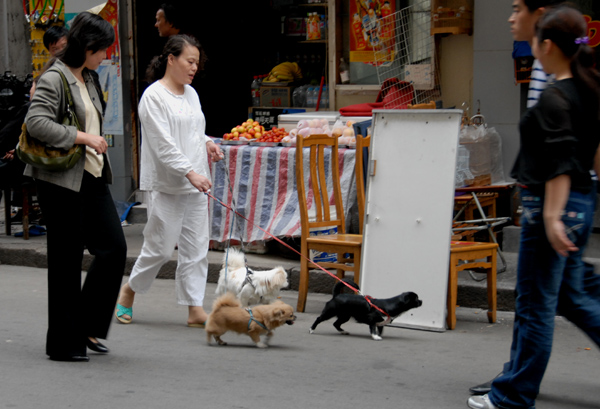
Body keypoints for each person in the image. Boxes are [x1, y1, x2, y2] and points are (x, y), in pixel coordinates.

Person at [467, 4, 600, 409]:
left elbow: (558, 163)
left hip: (554, 206)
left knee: (534, 305)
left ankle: (512, 395)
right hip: (581, 202)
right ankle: (513, 384)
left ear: (545, 46)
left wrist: (551, 216)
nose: (511, 18)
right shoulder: (588, 89)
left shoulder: (554, 98)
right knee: (567, 295)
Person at [24, 12, 126, 362]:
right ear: (87, 47)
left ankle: (86, 325)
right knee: (66, 260)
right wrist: (83, 137)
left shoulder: (91, 77)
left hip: (93, 176)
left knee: (114, 248)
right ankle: (64, 343)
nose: (105, 57)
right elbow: (36, 123)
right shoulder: (54, 78)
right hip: (60, 180)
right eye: (102, 50)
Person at [115, 34, 223, 328]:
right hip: (169, 183)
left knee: (197, 248)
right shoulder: (153, 97)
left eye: (197, 63)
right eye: (190, 61)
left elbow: (190, 130)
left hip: (197, 182)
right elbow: (163, 144)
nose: (194, 68)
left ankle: (194, 308)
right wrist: (189, 172)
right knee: (160, 248)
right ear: (171, 59)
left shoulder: (191, 94)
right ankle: (129, 290)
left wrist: (207, 142)